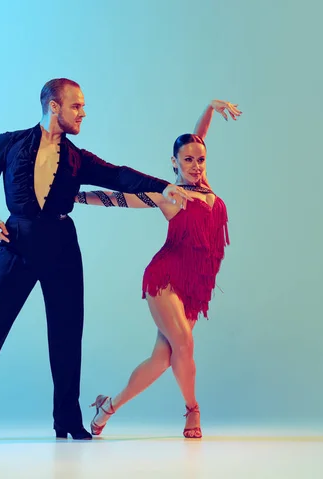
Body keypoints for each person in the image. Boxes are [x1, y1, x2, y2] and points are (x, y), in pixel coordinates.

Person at [0, 78, 193, 441]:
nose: (83, 113)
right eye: (76, 106)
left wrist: (162, 185)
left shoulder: (77, 159)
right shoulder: (10, 142)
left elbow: (117, 175)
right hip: (17, 243)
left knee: (66, 335)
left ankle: (67, 420)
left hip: (62, 247)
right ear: (54, 107)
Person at [74, 99, 242, 438]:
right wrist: (75, 197)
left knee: (163, 359)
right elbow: (118, 198)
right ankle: (193, 411)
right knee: (184, 345)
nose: (196, 166)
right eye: (188, 161)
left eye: (201, 159)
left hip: (196, 285)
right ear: (174, 163)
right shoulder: (171, 196)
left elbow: (198, 136)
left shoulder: (204, 184)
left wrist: (210, 108)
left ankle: (108, 406)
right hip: (165, 277)